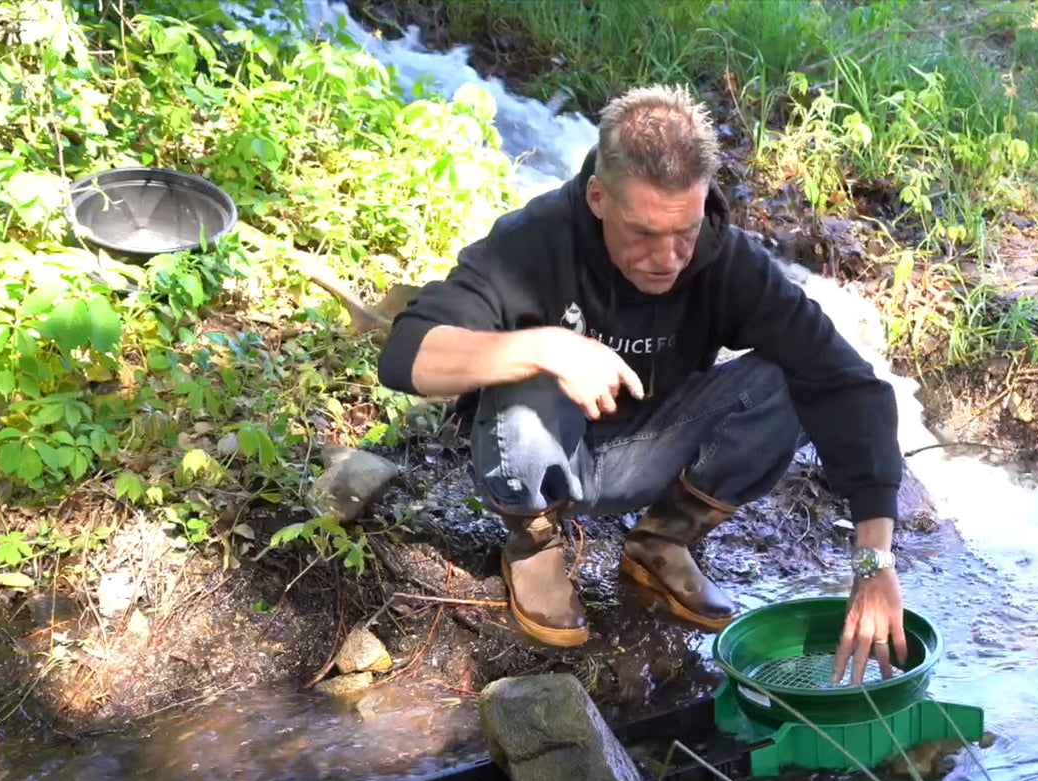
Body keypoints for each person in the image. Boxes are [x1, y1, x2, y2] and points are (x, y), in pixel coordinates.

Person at [378, 84, 908, 685]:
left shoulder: (727, 261)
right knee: (529, 366)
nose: (669, 258)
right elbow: (406, 352)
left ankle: (662, 542)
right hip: (538, 453)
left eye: (683, 232)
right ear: (598, 197)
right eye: (644, 234)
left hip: (651, 451)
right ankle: (534, 545)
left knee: (786, 377)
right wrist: (541, 346)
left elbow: (845, 382)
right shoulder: (534, 242)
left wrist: (873, 562)